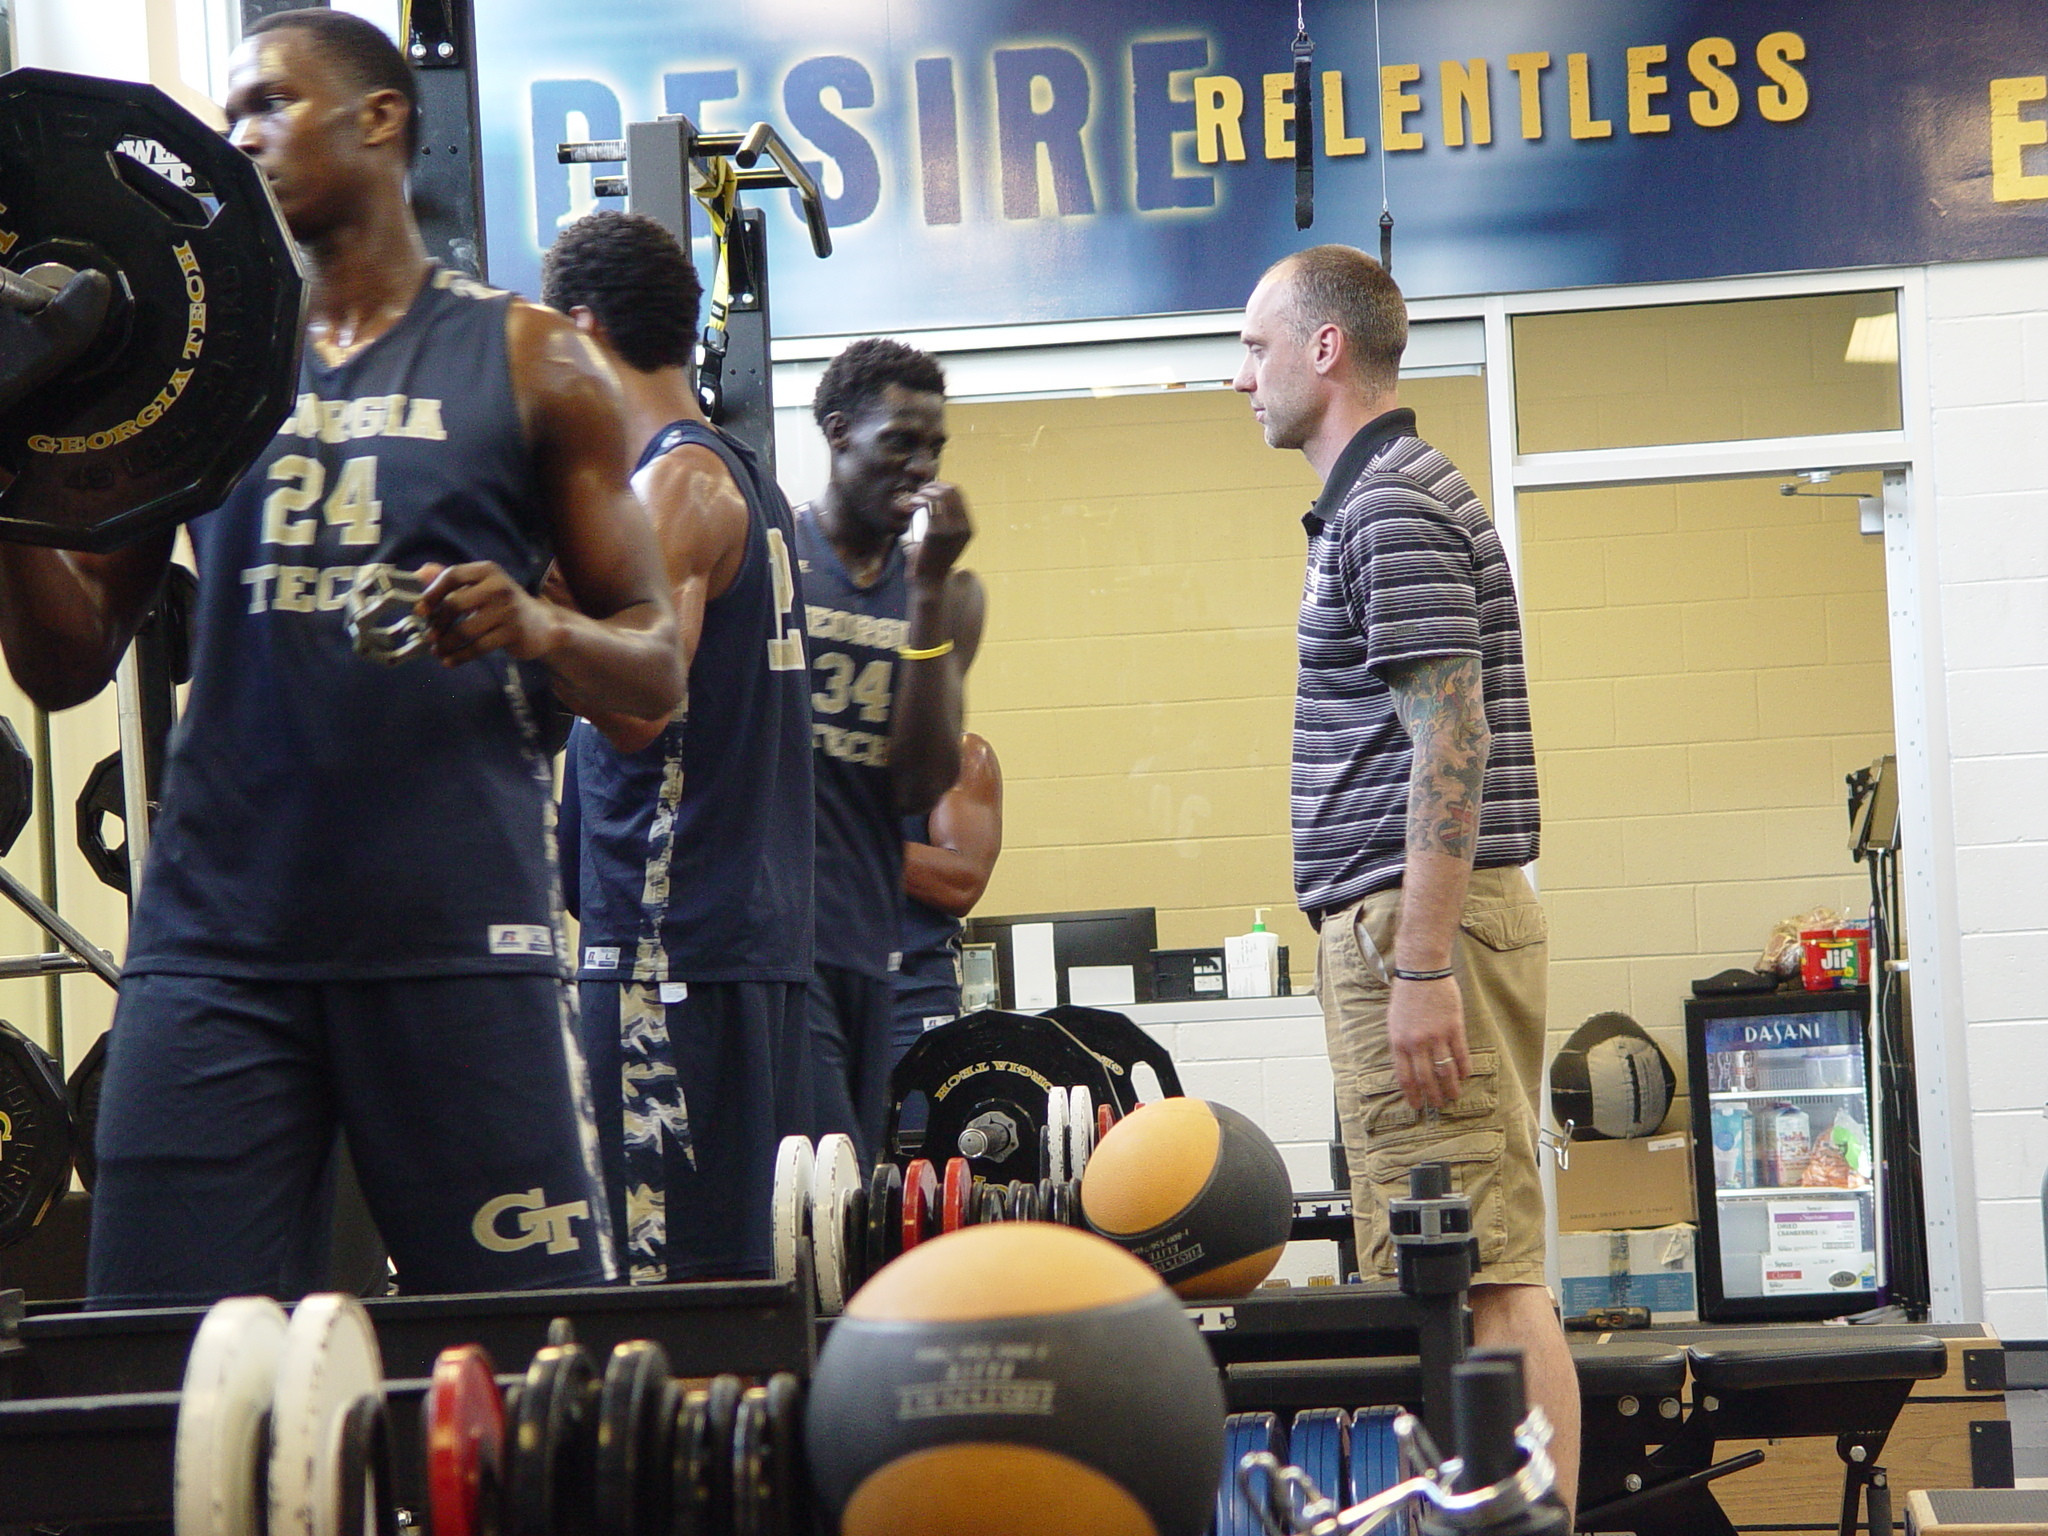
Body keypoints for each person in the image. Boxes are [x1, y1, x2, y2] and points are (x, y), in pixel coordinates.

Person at [0, 10, 683, 1305]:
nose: (238, 136)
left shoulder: (537, 363)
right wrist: (10, 485)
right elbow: (68, 660)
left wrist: (537, 629)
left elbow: (655, 682)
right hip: (215, 950)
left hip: (454, 946)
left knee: (529, 1371)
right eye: (230, 112)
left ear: (381, 120)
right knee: (157, 1365)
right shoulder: (204, 371)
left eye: (268, 104)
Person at [1234, 244, 1580, 1509]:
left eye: (1255, 348)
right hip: (1397, 928)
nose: (1240, 378)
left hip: (1413, 931)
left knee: (1481, 1280)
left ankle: (1523, 1526)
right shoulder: (1380, 503)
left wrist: (1421, 962)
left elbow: (1455, 736)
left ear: (1326, 350)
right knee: (1440, 1279)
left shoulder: (1386, 507)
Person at [542, 210, 815, 1283]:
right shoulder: (744, 477)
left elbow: (639, 709)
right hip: (730, 946)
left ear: (578, 328)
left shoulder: (675, 486)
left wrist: (522, 618)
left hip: (670, 952)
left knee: (665, 1292)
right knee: (733, 1275)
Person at [797, 339, 984, 1166]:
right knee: (812, 1185)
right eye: (899, 442)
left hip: (873, 949)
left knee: (865, 1192)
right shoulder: (774, 560)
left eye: (935, 447)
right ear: (838, 434)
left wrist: (929, 592)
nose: (922, 467)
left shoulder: (948, 595)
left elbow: (919, 774)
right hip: (776, 941)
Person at [893, 732, 1004, 1058]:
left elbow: (962, 882)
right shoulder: (786, 757)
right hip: (806, 1001)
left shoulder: (960, 756)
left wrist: (842, 840)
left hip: (910, 1013)